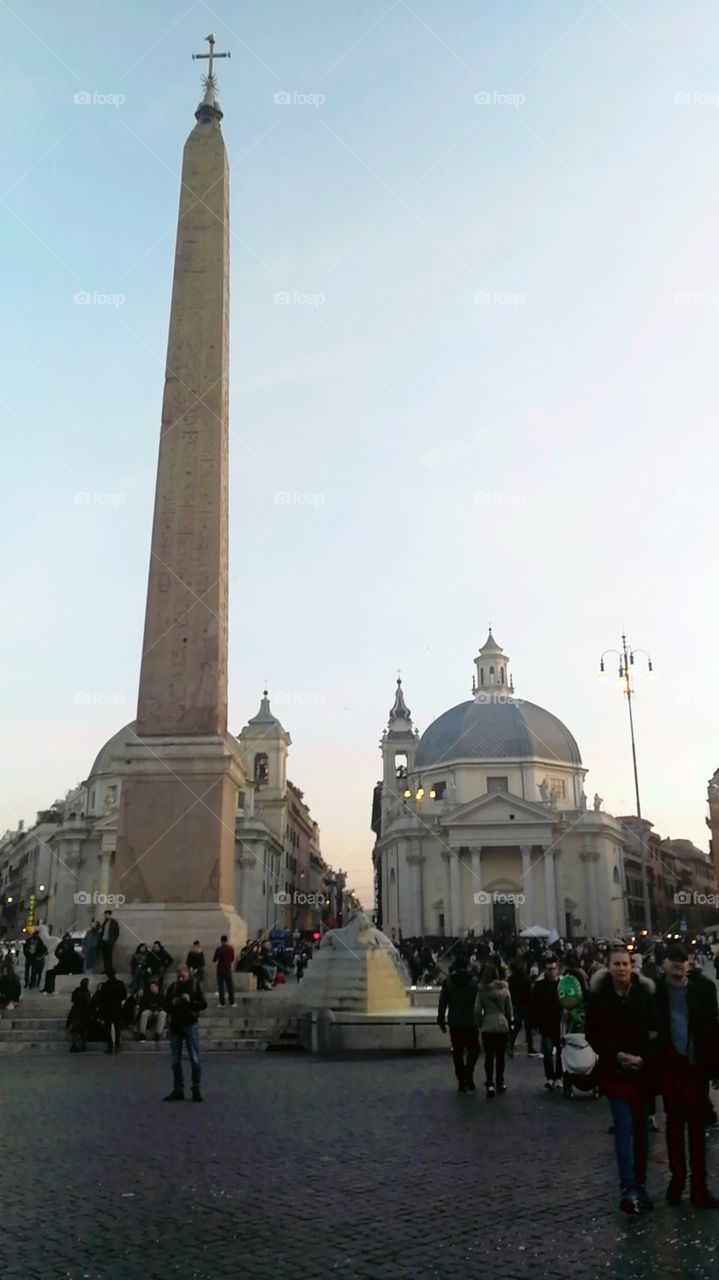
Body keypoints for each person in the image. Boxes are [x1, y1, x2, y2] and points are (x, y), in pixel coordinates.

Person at [586, 945, 658, 1215]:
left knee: (640, 1133)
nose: (621, 968)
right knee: (624, 1127)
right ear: (608, 967)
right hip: (615, 1073)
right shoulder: (599, 997)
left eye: (625, 964)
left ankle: (640, 1184)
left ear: (632, 966)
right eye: (616, 964)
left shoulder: (644, 994)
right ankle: (628, 1187)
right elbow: (592, 1032)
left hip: (641, 1073)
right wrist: (615, 1054)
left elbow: (656, 1029)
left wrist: (643, 1059)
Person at [655, 942, 719, 1208]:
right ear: (664, 963)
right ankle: (678, 1180)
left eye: (682, 959)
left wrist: (715, 1069)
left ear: (689, 961)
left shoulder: (705, 988)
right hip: (671, 1069)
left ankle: (699, 1187)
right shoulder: (655, 992)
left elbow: (713, 1030)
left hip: (696, 1069)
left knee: (696, 1129)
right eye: (673, 959)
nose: (678, 963)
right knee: (674, 1127)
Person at [164, 964, 207, 1102]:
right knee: (175, 1060)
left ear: (189, 974)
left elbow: (202, 1004)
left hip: (190, 1024)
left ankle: (196, 1089)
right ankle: (178, 1089)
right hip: (176, 1025)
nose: (181, 978)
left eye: (183, 976)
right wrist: (173, 1003)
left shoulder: (195, 986)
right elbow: (165, 1005)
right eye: (179, 976)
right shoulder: (173, 987)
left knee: (194, 1058)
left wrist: (190, 1000)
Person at [437, 955, 480, 1093]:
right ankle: (469, 1074)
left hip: (455, 1022)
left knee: (457, 1052)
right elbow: (480, 1003)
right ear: (467, 966)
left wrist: (441, 1020)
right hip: (471, 1021)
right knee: (474, 1050)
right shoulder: (474, 983)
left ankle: (461, 1080)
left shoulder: (448, 983)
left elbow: (442, 1003)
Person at [476, 962, 512, 1098]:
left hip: (488, 1026)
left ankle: (489, 1083)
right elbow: (509, 1009)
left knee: (489, 1057)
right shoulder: (504, 989)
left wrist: (480, 1023)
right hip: (502, 1025)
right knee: (501, 1056)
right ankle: (500, 1082)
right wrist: (508, 1022)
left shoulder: (482, 991)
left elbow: (477, 1010)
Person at [530, 957, 563, 1090]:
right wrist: (534, 1023)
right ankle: (550, 1077)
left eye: (553, 969)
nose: (551, 971)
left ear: (557, 969)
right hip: (546, 1023)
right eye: (549, 969)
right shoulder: (540, 985)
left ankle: (559, 1077)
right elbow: (534, 1005)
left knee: (561, 1052)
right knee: (548, 1051)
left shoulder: (563, 984)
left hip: (560, 1023)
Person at [93, 969, 127, 1054]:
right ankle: (117, 1046)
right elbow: (124, 995)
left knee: (107, 1028)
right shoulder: (120, 984)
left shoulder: (105, 985)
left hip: (107, 1009)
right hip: (117, 1008)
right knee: (117, 1028)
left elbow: (101, 997)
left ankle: (110, 1046)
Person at [508, 959, 535, 1056]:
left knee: (517, 1026)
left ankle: (510, 1045)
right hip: (526, 1005)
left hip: (516, 1004)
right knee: (528, 1028)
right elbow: (530, 993)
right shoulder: (527, 979)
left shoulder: (511, 978)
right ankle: (530, 1048)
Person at [67, 978, 92, 1052]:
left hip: (76, 1011)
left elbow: (73, 1000)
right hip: (82, 1012)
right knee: (82, 1030)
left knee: (77, 1030)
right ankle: (82, 1045)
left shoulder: (77, 991)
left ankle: (75, 1045)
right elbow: (88, 1003)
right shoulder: (86, 992)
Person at [213, 934, 235, 1007]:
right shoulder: (231, 949)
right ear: (227, 940)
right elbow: (232, 959)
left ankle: (222, 1003)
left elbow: (214, 960)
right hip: (228, 969)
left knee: (221, 987)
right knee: (230, 986)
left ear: (221, 941)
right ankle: (232, 1002)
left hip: (220, 969)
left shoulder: (219, 949)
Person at [99, 911, 119, 976]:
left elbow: (117, 932)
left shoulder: (114, 922)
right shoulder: (105, 922)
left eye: (106, 915)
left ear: (110, 915)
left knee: (109, 956)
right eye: (105, 915)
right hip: (103, 941)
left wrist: (113, 940)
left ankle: (109, 969)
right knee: (105, 956)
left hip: (109, 942)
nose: (105, 916)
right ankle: (106, 969)